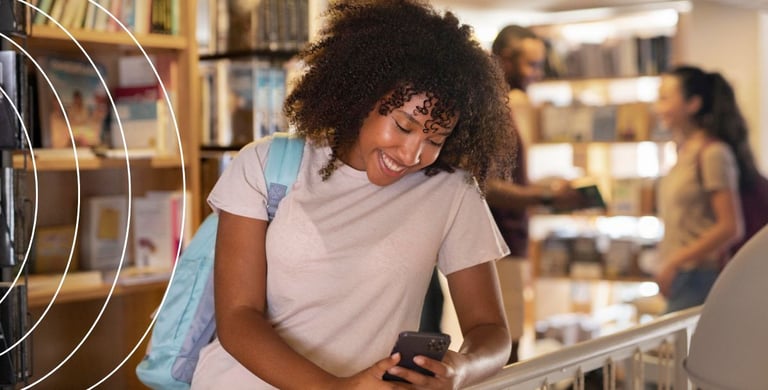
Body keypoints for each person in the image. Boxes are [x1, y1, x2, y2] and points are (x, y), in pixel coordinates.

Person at [191, 1, 517, 388]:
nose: (412, 154)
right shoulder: (265, 165)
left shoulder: (450, 191)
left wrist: (460, 370)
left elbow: (491, 330)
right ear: (363, 97)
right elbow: (238, 319)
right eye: (403, 125)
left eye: (434, 139)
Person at [487, 25, 584, 364]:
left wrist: (544, 190)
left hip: (509, 241)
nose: (537, 74)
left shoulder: (503, 107)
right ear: (504, 60)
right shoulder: (489, 111)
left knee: (510, 340)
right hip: (497, 243)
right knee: (504, 347)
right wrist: (545, 199)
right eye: (531, 65)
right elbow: (485, 187)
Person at [653, 65, 759, 313]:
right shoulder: (684, 151)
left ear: (693, 104)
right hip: (684, 276)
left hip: (699, 277)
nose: (658, 107)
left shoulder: (712, 153)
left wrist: (675, 261)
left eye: (665, 98)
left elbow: (730, 226)